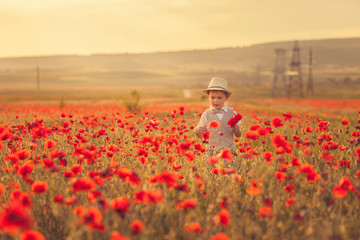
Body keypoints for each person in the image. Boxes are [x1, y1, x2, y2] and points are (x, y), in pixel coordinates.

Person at [194, 77, 242, 157]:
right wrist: (197, 131)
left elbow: (238, 135)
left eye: (219, 98)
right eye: (212, 98)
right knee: (210, 169)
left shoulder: (232, 113)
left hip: (228, 152)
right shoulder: (206, 114)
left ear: (226, 98)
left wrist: (237, 131)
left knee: (229, 169)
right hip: (211, 152)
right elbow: (200, 135)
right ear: (208, 96)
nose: (215, 101)